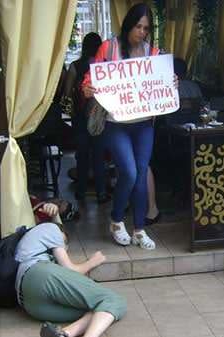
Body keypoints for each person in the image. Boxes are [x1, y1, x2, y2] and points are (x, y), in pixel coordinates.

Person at [82, 4, 168, 250]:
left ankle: (139, 229)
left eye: (146, 28)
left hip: (143, 124)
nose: (141, 32)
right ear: (128, 24)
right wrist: (87, 88)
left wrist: (170, 81)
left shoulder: (154, 54)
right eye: (138, 26)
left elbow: (161, 85)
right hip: (115, 123)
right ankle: (117, 219)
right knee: (129, 172)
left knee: (141, 174)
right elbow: (90, 79)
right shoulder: (109, 47)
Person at [15, 221, 126, 337]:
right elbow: (70, 269)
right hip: (40, 274)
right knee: (114, 300)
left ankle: (63, 334)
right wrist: (93, 261)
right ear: (62, 232)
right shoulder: (51, 228)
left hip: (29, 303)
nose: (65, 246)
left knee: (100, 310)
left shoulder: (31, 240)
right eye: (65, 242)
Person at [63, 33, 110, 204]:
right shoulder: (105, 66)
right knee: (99, 155)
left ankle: (81, 192)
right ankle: (102, 192)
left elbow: (67, 93)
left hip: (80, 117)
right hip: (100, 117)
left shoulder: (75, 66)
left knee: (82, 155)